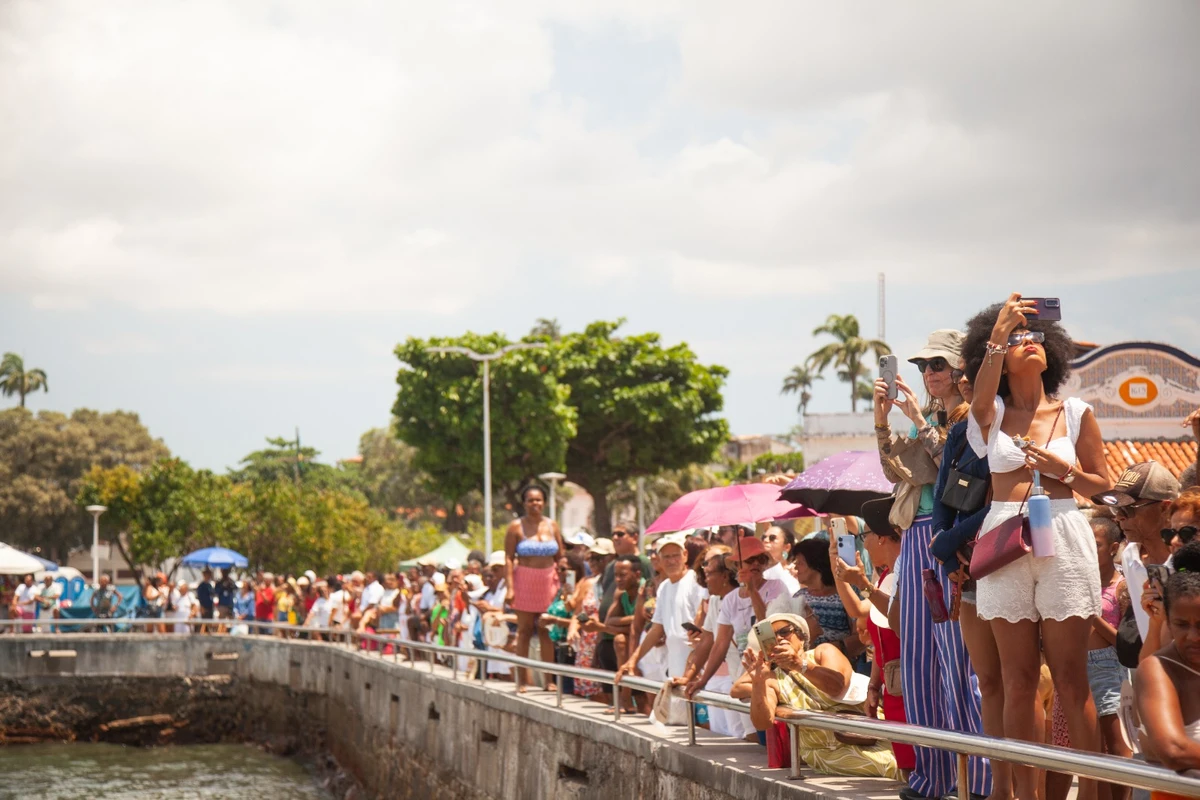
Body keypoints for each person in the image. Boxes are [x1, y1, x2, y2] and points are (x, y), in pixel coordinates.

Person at [964, 294, 1114, 800]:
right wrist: (998, 334)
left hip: (1065, 529)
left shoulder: (1076, 412)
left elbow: (1101, 483)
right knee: (1019, 677)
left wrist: (1062, 471)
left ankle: (1090, 793)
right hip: (1007, 534)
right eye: (1017, 341)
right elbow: (981, 403)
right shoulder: (989, 411)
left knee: (1072, 677)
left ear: (1052, 350)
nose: (1028, 344)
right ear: (1000, 357)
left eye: (1034, 338)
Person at [878, 327, 990, 800]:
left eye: (938, 365)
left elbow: (955, 466)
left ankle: (982, 782)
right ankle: (933, 777)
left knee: (960, 666)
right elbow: (895, 472)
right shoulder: (928, 413)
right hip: (917, 536)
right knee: (922, 667)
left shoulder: (972, 414)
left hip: (952, 542)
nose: (928, 373)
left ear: (961, 368)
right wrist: (882, 420)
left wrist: (917, 420)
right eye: (924, 366)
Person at [929, 357, 1005, 800]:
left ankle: (1013, 788)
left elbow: (999, 504)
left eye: (967, 373)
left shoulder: (1013, 426)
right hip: (967, 566)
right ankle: (994, 789)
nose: (959, 380)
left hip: (1002, 553)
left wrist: (948, 541)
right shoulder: (959, 433)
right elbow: (942, 496)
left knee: (1017, 682)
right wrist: (947, 544)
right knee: (986, 680)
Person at [731, 613, 900, 780]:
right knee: (893, 766)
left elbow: (836, 686)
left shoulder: (823, 652)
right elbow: (762, 722)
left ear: (802, 637)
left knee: (908, 763)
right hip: (827, 752)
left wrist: (799, 664)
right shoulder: (773, 678)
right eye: (771, 637)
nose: (779, 639)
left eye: (784, 632)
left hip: (871, 734)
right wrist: (759, 682)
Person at [831, 496, 916, 778]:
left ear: (882, 538)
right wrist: (874, 686)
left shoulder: (909, 574)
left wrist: (863, 584)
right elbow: (859, 610)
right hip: (892, 688)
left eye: (866, 536)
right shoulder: (883, 578)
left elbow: (900, 618)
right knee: (907, 771)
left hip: (913, 688)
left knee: (918, 770)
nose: (863, 544)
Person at [686, 536, 788, 725]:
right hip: (744, 678)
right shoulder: (731, 599)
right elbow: (720, 644)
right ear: (737, 566)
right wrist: (702, 680)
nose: (756, 564)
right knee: (751, 737)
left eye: (760, 559)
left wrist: (751, 591)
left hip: (772, 673)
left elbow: (766, 627)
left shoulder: (776, 587)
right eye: (749, 560)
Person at [1134, 543, 1200, 791]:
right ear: (1168, 623)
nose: (1193, 636)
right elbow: (1174, 750)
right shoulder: (1158, 669)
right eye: (1182, 624)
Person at [615, 533, 706, 688]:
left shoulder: (695, 582)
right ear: (659, 559)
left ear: (685, 555)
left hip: (698, 666)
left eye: (676, 555)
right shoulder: (664, 587)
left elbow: (704, 624)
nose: (671, 561)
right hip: (674, 664)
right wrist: (632, 661)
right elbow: (657, 628)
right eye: (666, 557)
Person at [680, 545, 751, 738]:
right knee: (737, 733)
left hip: (746, 677)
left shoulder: (746, 598)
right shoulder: (714, 601)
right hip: (729, 677)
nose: (705, 579)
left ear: (725, 576)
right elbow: (708, 641)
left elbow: (718, 644)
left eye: (710, 573)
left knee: (752, 734)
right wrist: (692, 676)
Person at [1086, 515, 1133, 800]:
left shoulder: (1122, 587)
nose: (1091, 552)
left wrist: (1092, 616)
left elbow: (1124, 642)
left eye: (1097, 545)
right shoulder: (1081, 581)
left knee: (1117, 748)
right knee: (1093, 748)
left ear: (1113, 547)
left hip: (1109, 670)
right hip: (1079, 670)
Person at [505, 484, 565, 692]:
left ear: (544, 502)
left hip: (549, 580)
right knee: (524, 630)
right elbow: (508, 557)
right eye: (531, 500)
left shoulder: (552, 525)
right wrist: (510, 587)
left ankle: (549, 679)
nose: (535, 504)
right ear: (524, 503)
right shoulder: (515, 527)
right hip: (525, 580)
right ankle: (522, 680)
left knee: (546, 630)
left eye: (538, 500)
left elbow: (561, 556)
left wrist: (566, 581)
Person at [567, 549, 604, 700]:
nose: (594, 562)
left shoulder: (615, 581)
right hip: (587, 641)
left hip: (604, 637)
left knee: (606, 687)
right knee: (591, 689)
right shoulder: (588, 582)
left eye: (598, 558)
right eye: (590, 559)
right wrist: (572, 629)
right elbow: (576, 611)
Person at [761, 526, 801, 594]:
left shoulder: (794, 573)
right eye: (763, 538)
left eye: (772, 538)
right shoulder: (756, 571)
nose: (766, 540)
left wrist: (774, 565)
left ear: (787, 547)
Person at [195, 568, 215, 632]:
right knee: (203, 624)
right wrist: (202, 607)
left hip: (210, 607)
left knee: (209, 623)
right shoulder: (201, 586)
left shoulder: (209, 585)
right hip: (204, 607)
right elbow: (199, 597)